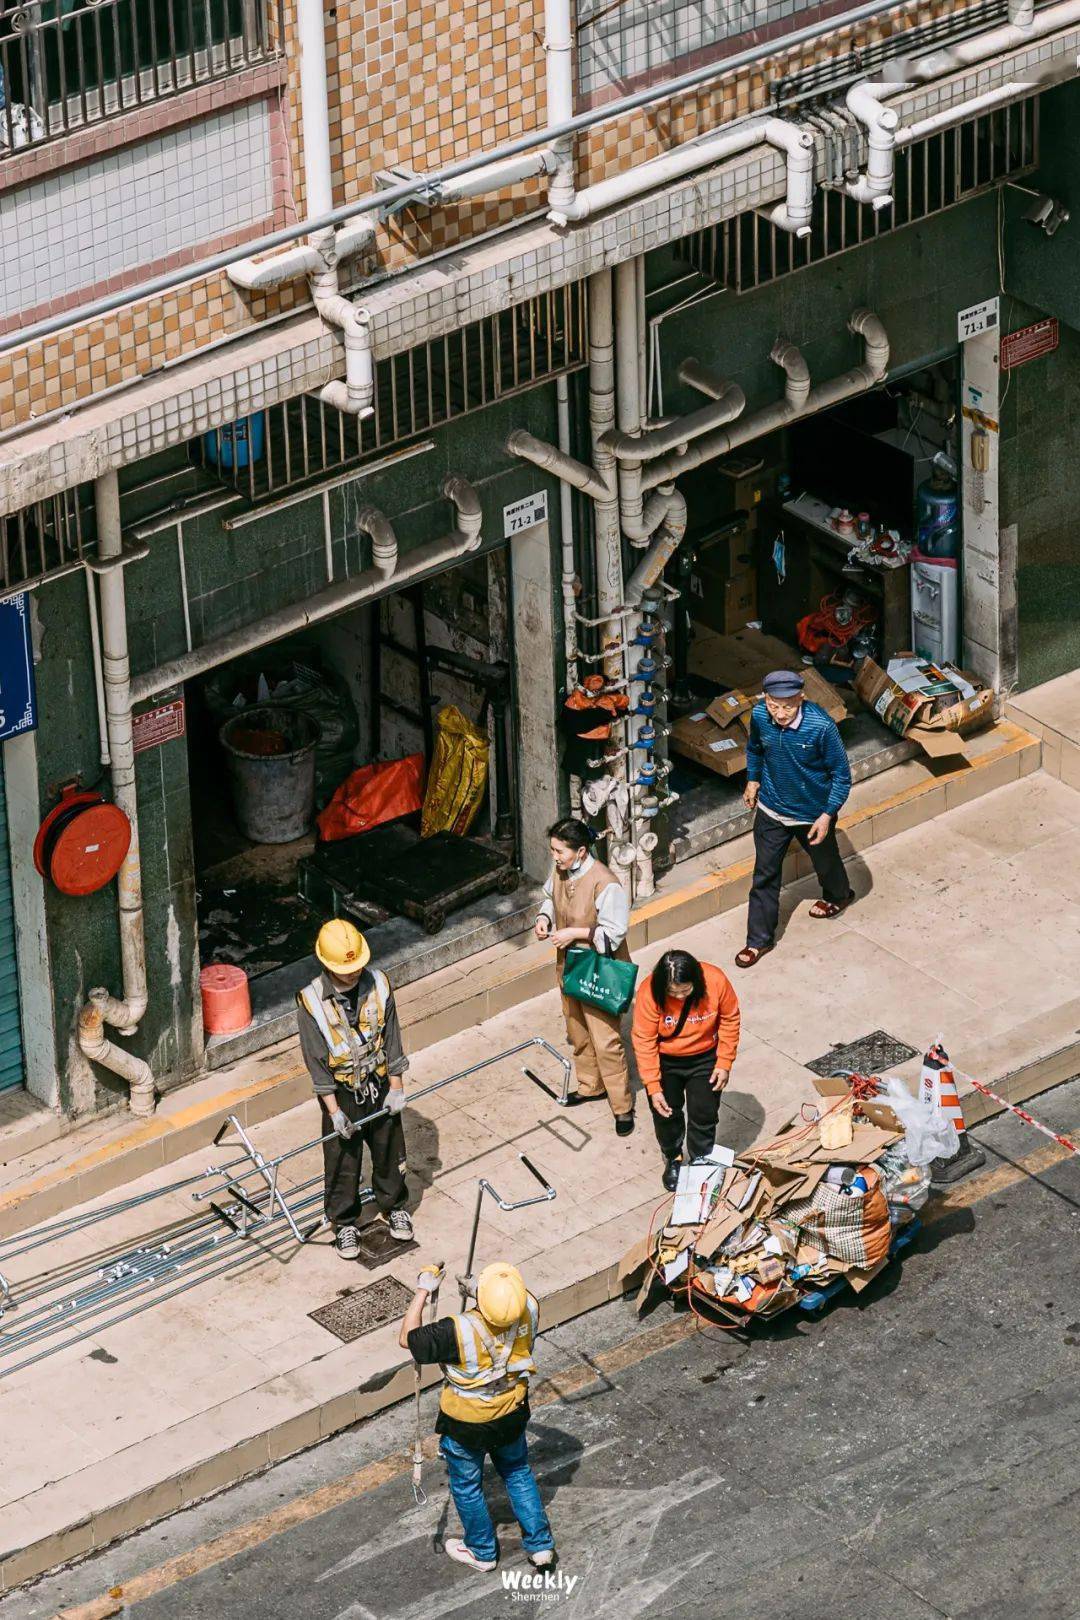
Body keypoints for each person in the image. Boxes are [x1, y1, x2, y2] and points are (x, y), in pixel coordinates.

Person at [401, 1260, 556, 1575]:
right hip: (512, 1412)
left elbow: (408, 1338)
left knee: (467, 1486)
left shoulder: (455, 1330)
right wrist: (475, 1289)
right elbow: (507, 1307)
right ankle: (540, 1546)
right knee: (517, 1472)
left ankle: (483, 1551)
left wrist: (423, 1289)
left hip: (466, 1424)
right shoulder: (530, 1305)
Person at [296, 918, 413, 1257]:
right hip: (342, 1090)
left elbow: (392, 1040)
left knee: (389, 1147)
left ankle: (394, 1205)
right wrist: (333, 1113)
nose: (353, 973)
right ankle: (344, 1222)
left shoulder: (379, 985)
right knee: (341, 1158)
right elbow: (316, 1061)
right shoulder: (311, 1002)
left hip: (378, 1082)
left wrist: (396, 1087)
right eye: (346, 968)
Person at [736, 670, 853, 970]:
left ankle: (839, 895)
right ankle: (758, 940)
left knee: (825, 860)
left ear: (801, 698)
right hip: (772, 809)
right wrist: (752, 781)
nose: (780, 713)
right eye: (775, 705)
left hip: (813, 813)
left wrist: (827, 816)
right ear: (766, 699)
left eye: (788, 706)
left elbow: (842, 776)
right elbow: (755, 750)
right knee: (764, 875)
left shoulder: (821, 727)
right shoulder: (761, 716)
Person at [533, 817, 635, 1136]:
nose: (554, 857)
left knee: (606, 1041)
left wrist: (574, 933)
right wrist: (543, 918)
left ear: (580, 851)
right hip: (569, 966)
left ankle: (622, 1107)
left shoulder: (605, 882)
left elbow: (614, 934)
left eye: (559, 851)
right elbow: (550, 898)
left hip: (598, 969)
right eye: (552, 850)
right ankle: (591, 1086)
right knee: (577, 1030)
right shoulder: (561, 872)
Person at [632, 950, 741, 1190]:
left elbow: (730, 1018)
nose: (679, 997)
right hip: (666, 1060)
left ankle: (701, 1156)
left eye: (685, 990)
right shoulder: (649, 991)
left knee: (704, 1113)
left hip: (705, 1058)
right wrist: (652, 1085)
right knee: (666, 1113)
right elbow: (643, 1039)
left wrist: (724, 1062)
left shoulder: (716, 980)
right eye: (672, 992)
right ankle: (674, 1157)